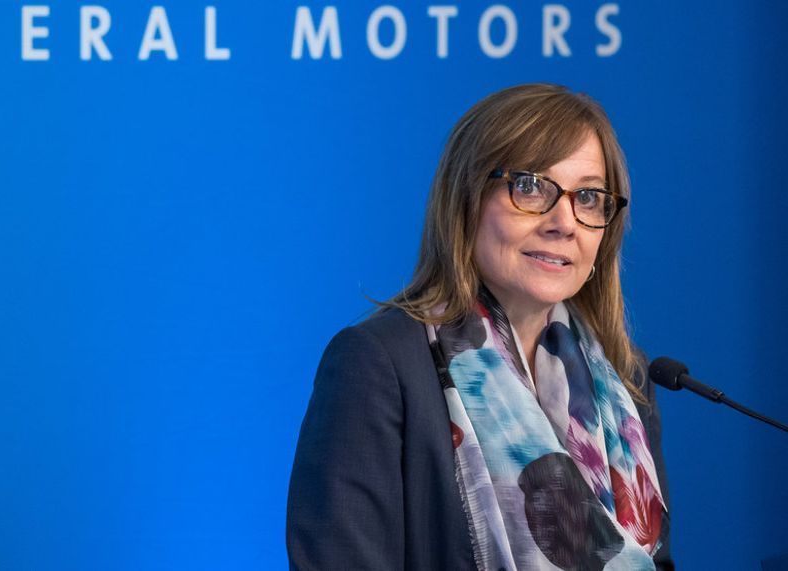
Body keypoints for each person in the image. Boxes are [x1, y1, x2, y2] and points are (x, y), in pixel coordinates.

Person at [286, 84, 673, 570]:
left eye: (589, 197)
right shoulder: (379, 364)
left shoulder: (627, 382)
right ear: (466, 200)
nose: (564, 221)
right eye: (530, 186)